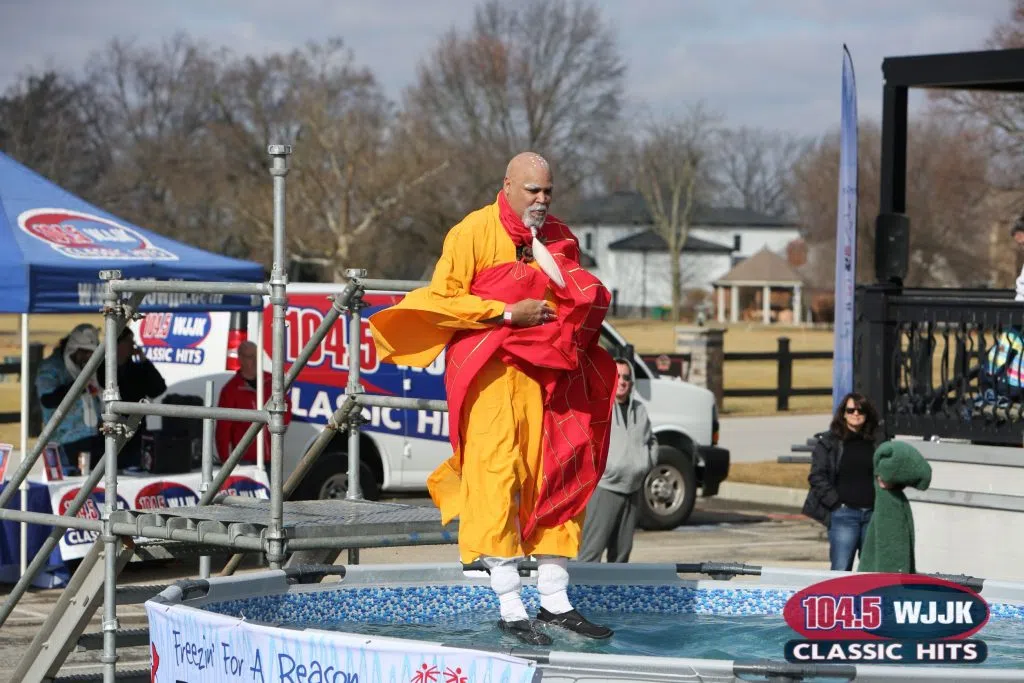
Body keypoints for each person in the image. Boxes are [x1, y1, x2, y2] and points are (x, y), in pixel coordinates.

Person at [368, 152, 617, 645]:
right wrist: (506, 313)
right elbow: (443, 299)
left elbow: (572, 295)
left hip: (549, 377)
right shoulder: (472, 232)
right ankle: (510, 604)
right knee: (495, 477)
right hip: (492, 376)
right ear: (507, 185)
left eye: (548, 191)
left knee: (557, 472)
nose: (542, 199)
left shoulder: (560, 236)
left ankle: (555, 600)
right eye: (532, 190)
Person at [577, 358, 656, 563]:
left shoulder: (640, 409)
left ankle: (616, 586)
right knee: (591, 552)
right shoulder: (599, 407)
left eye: (626, 377)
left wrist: (646, 462)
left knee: (622, 554)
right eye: (617, 376)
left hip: (633, 489)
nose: (622, 381)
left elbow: (651, 440)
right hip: (605, 488)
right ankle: (582, 585)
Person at [801, 391, 883, 571]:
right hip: (844, 515)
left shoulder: (876, 442)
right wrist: (835, 503)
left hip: (872, 516)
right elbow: (817, 476)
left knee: (872, 570)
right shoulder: (829, 442)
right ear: (843, 414)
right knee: (841, 569)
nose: (856, 414)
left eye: (860, 410)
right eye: (851, 410)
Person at [35, 323, 104, 473]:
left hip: (92, 438)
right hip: (63, 443)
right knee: (71, 484)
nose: (88, 357)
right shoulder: (51, 368)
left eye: (91, 353)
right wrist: (78, 385)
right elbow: (48, 400)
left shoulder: (86, 367)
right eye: (85, 352)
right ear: (73, 348)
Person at [97, 327, 167, 469]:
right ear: (117, 344)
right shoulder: (103, 368)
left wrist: (144, 361)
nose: (133, 345)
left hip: (135, 430)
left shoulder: (138, 369)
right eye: (129, 341)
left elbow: (158, 388)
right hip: (111, 430)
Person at [858, 440, 931, 573]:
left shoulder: (892, 500)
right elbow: (891, 559)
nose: (880, 479)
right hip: (886, 581)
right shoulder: (891, 504)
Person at [215, 340, 291, 466]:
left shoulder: (271, 381)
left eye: (257, 356)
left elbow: (286, 406)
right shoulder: (231, 390)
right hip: (245, 460)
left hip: (271, 456)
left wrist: (277, 428)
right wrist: (225, 461)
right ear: (240, 359)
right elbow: (223, 430)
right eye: (250, 357)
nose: (255, 361)